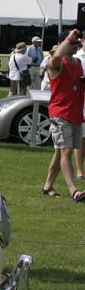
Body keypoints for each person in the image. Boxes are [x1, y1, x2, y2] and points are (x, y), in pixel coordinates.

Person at [41, 29, 85, 201]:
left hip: (75, 113)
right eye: (73, 43)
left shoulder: (78, 63)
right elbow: (56, 58)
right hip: (60, 113)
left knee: (60, 152)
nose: (76, 46)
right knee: (66, 151)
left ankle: (47, 186)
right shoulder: (56, 64)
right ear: (64, 43)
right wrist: (68, 37)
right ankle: (74, 190)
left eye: (77, 43)